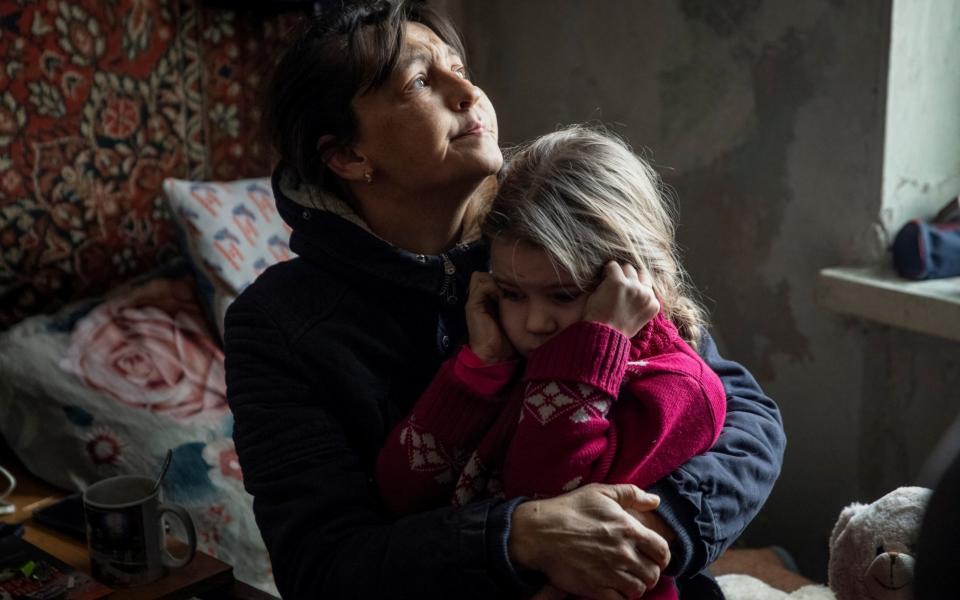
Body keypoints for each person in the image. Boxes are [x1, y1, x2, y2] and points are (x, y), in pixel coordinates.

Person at [223, 1, 785, 598]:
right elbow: (323, 566)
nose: (468, 93)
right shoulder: (278, 326)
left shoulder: (556, 217)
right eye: (420, 81)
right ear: (348, 156)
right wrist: (521, 536)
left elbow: (745, 417)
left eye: (460, 69)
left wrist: (642, 532)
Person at [376, 126, 728, 600]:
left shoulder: (677, 387)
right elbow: (400, 492)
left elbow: (545, 494)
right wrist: (476, 370)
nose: (536, 322)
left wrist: (593, 345)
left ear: (634, 277)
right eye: (512, 293)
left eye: (563, 295)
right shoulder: (508, 356)